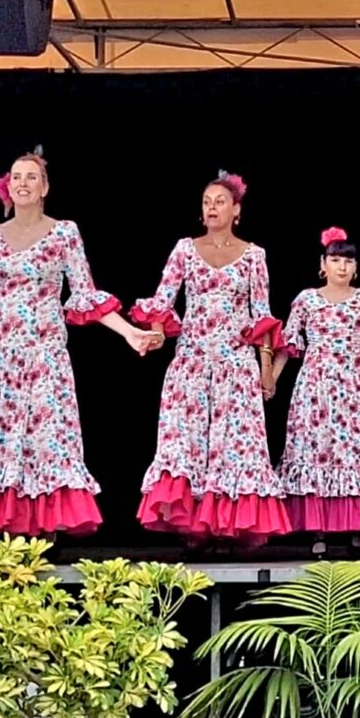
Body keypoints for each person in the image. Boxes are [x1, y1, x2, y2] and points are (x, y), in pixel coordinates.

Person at [0, 151, 159, 537]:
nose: (22, 182)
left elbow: (85, 296)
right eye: (16, 177)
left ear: (45, 187)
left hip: (43, 356)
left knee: (43, 442)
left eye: (31, 177)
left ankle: (41, 528)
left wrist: (130, 332)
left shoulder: (64, 232)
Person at [132, 170, 292, 546]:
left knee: (232, 448)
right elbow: (162, 300)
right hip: (192, 362)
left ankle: (227, 526)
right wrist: (155, 331)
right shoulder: (184, 249)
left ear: (236, 210)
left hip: (235, 365)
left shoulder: (254, 256)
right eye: (206, 203)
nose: (212, 208)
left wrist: (266, 369)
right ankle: (194, 528)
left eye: (220, 202)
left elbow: (262, 316)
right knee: (186, 444)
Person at [271, 227, 360, 555]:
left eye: (348, 261)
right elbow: (288, 344)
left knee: (356, 455)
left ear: (356, 267)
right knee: (317, 453)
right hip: (316, 388)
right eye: (335, 260)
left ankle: (355, 529)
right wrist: (272, 380)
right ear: (322, 264)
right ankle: (318, 531)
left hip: (355, 389)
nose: (342, 267)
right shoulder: (306, 299)